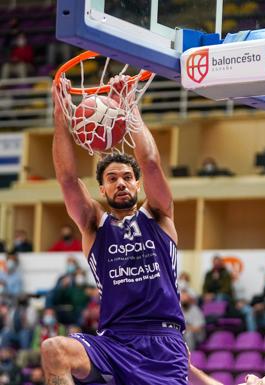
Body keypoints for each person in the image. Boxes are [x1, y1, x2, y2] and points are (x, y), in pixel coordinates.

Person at [41, 77, 188, 384]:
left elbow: (149, 161)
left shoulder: (159, 215)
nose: (120, 182)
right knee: (55, 349)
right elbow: (68, 180)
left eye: (126, 177)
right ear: (102, 189)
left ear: (137, 184)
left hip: (163, 344)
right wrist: (60, 115)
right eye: (111, 178)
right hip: (114, 342)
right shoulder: (94, 223)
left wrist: (129, 105)